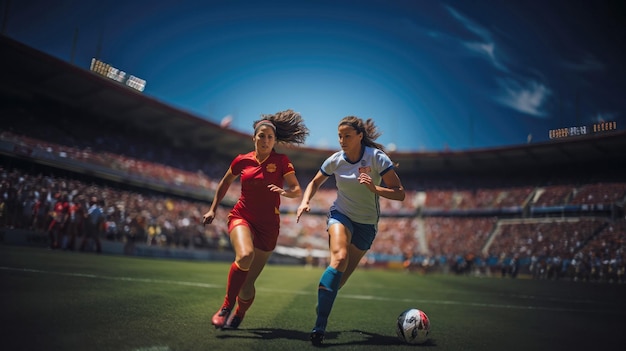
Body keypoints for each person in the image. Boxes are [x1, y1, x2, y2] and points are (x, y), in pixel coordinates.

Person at [296, 116, 406, 346]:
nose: (342, 140)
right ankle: (319, 327)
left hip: (367, 225)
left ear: (359, 136)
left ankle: (323, 300)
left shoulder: (376, 158)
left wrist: (373, 188)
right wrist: (305, 201)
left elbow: (399, 193)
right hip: (341, 215)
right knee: (339, 259)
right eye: (340, 136)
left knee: (340, 281)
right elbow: (315, 182)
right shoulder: (335, 160)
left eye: (347, 136)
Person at [202, 109, 309, 330]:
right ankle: (225, 307)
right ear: (254, 137)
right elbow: (224, 183)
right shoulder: (242, 161)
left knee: (248, 284)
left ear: (275, 140)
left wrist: (286, 193)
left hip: (269, 227)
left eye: (270, 137)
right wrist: (213, 209)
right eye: (262, 135)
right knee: (245, 255)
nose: (266, 140)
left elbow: (296, 189)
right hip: (242, 216)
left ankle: (240, 313)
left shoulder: (281, 160)